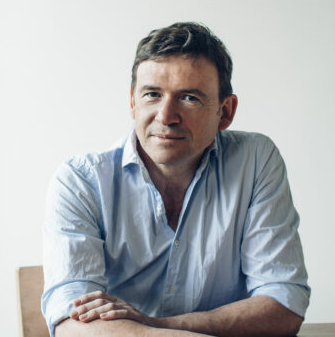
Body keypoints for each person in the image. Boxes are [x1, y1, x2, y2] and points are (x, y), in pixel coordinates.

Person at [41, 22, 310, 337]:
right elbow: (74, 325)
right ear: (133, 102)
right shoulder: (80, 181)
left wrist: (155, 325)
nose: (166, 116)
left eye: (189, 98)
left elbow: (283, 306)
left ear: (226, 112)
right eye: (152, 94)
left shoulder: (255, 160)